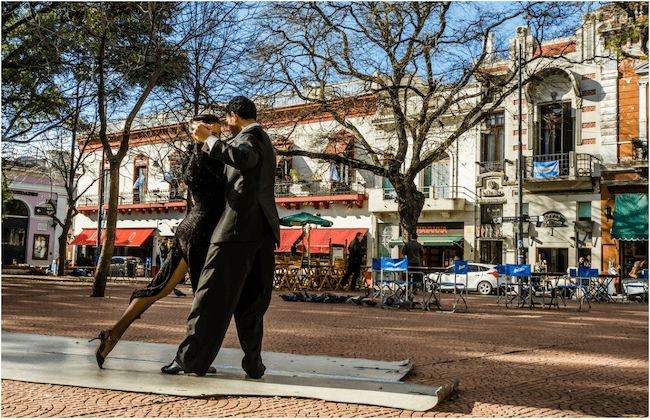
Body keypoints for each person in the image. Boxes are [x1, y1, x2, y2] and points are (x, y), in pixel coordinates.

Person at [90, 114, 226, 369]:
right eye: (216, 129)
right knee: (203, 298)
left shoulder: (194, 158)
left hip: (191, 226)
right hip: (204, 229)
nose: (221, 133)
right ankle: (191, 358)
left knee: (160, 286)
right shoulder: (211, 157)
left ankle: (112, 335)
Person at [161, 96, 280, 378]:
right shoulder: (266, 140)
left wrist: (208, 141)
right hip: (263, 231)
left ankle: (190, 361)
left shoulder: (248, 138)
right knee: (252, 302)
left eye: (226, 120)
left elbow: (243, 158)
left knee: (208, 297)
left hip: (236, 230)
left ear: (233, 116)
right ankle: (253, 363)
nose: (225, 126)